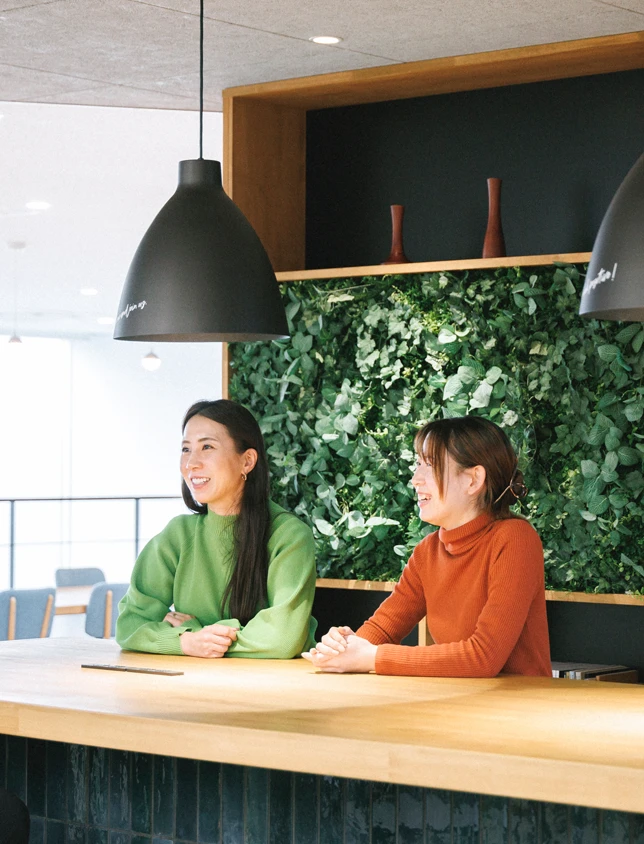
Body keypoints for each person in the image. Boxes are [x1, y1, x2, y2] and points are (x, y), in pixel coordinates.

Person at [303, 415, 551, 677]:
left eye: (430, 465)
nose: (415, 479)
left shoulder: (515, 539)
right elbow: (383, 628)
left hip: (520, 700)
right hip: (459, 697)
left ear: (473, 480)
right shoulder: (428, 551)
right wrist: (343, 647)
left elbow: (484, 657)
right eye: (418, 464)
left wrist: (371, 657)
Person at [116, 399, 317, 658]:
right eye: (186, 449)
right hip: (195, 679)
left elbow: (282, 638)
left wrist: (196, 634)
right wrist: (187, 642)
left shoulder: (289, 535)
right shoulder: (177, 535)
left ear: (247, 461)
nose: (191, 463)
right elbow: (130, 625)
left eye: (207, 447)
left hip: (273, 681)